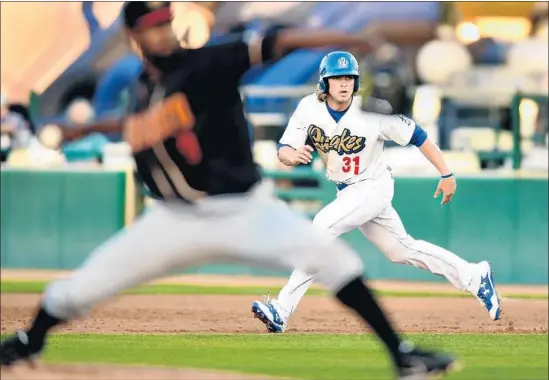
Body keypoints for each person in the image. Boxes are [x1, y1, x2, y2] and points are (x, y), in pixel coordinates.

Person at [0, 4, 460, 379]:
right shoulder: (142, 88)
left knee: (337, 261)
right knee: (79, 290)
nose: (163, 32)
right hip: (173, 220)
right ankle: (29, 341)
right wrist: (86, 131)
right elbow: (137, 125)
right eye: (151, 26)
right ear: (134, 36)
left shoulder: (206, 63)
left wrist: (346, 43)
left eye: (165, 22)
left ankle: (402, 355)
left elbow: (275, 42)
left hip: (245, 210)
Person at [251, 51, 501, 334]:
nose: (344, 83)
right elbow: (283, 150)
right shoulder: (308, 108)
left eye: (349, 78)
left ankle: (281, 310)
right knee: (401, 250)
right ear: (324, 83)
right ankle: (474, 275)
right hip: (347, 192)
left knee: (320, 227)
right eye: (337, 78)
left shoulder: (371, 110)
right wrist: (291, 155)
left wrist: (446, 173)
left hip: (373, 186)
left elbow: (419, 136)